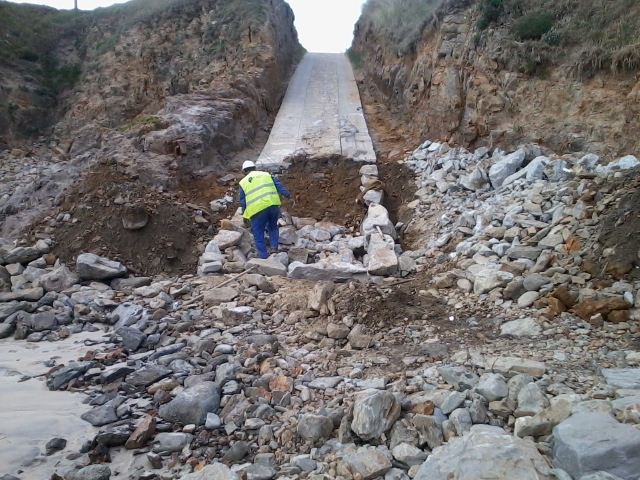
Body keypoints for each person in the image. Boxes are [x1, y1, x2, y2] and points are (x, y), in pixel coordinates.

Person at [238, 160, 292, 259]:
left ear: (244, 171)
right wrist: (288, 195)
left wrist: (245, 215)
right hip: (272, 205)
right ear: (255, 168)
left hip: (257, 209)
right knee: (272, 227)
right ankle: (274, 248)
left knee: (258, 232)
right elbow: (278, 185)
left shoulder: (244, 182)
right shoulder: (266, 175)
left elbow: (243, 201)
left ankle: (264, 256)